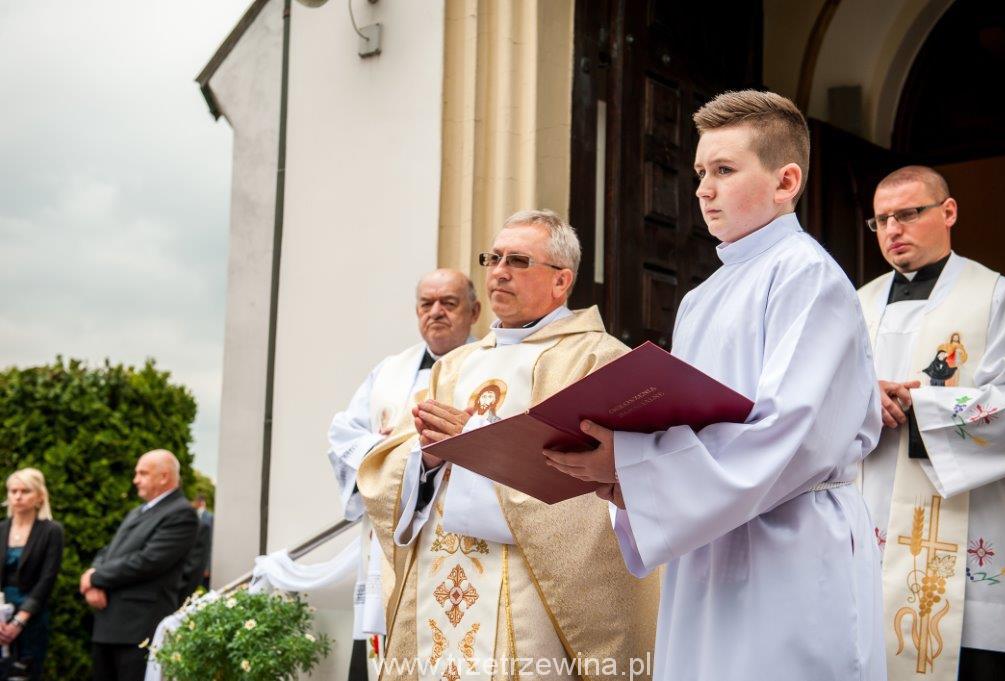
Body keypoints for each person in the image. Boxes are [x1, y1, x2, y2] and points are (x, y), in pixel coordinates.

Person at [546, 90, 885, 680]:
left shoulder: (807, 275)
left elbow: (791, 434)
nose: (703, 189)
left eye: (724, 170)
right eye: (700, 172)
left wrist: (634, 466)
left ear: (785, 182)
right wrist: (626, 472)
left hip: (789, 543)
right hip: (709, 543)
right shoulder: (702, 298)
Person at [357, 210, 659, 681]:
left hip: (529, 601)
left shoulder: (598, 361)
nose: (499, 272)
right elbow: (395, 469)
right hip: (437, 585)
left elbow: (604, 493)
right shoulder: (453, 366)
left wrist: (479, 445)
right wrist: (428, 459)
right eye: (493, 258)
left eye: (518, 260)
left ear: (561, 281)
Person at [857, 165, 1005, 680]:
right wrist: (862, 402)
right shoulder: (854, 304)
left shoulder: (1001, 297)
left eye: (908, 213)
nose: (893, 229)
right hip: (870, 519)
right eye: (882, 219)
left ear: (948, 212)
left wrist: (922, 409)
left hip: (966, 528)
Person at [327, 268, 480, 680]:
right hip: (388, 540)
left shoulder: (490, 367)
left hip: (458, 540)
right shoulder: (389, 371)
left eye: (449, 303)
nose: (436, 312)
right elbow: (342, 435)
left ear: (474, 312)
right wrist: (390, 456)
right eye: (426, 304)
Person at [81, 449, 199, 681]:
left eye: (143, 473)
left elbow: (149, 561)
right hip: (109, 622)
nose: (135, 480)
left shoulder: (181, 513)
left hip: (138, 628)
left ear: (164, 477)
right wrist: (93, 575)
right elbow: (108, 551)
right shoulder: (138, 511)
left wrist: (94, 579)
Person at [0, 468, 63, 680]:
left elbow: (47, 579)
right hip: (1, 614)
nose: (18, 496)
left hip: (32, 616)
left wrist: (19, 621)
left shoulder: (51, 531)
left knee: (23, 674)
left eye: (25, 491)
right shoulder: (1, 529)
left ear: (39, 496)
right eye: (13, 491)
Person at [179, 494, 214, 601]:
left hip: (203, 564)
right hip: (190, 563)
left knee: (203, 591)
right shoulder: (191, 516)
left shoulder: (210, 517)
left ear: (201, 502)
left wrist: (207, 567)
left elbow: (210, 543)